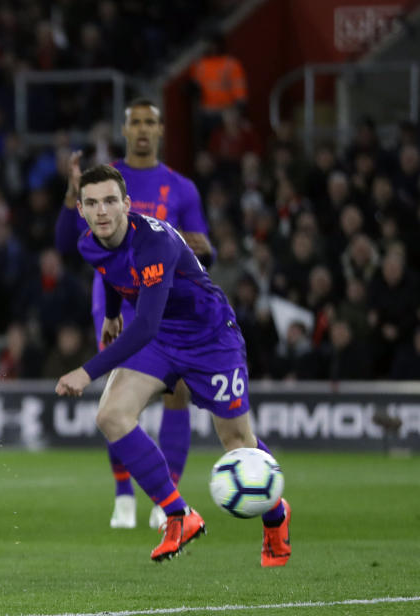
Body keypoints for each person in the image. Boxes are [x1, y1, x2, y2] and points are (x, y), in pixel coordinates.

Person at [55, 164, 290, 567]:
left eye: (111, 201)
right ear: (81, 209)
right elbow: (111, 274)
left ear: (127, 203)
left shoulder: (154, 242)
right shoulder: (88, 243)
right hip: (163, 340)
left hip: (210, 338)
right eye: (92, 203)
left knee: (237, 442)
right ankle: (179, 515)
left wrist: (87, 371)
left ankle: (275, 517)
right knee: (111, 415)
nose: (102, 211)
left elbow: (144, 325)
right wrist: (111, 314)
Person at [55, 98, 213, 530]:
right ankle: (124, 495)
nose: (143, 129)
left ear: (161, 131)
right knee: (119, 394)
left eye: (150, 122)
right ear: (125, 131)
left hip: (164, 297)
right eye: (135, 122)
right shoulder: (106, 181)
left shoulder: (182, 188)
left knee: (175, 391)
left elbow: (203, 249)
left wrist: (206, 248)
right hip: (116, 299)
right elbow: (67, 241)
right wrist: (71, 192)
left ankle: (167, 501)